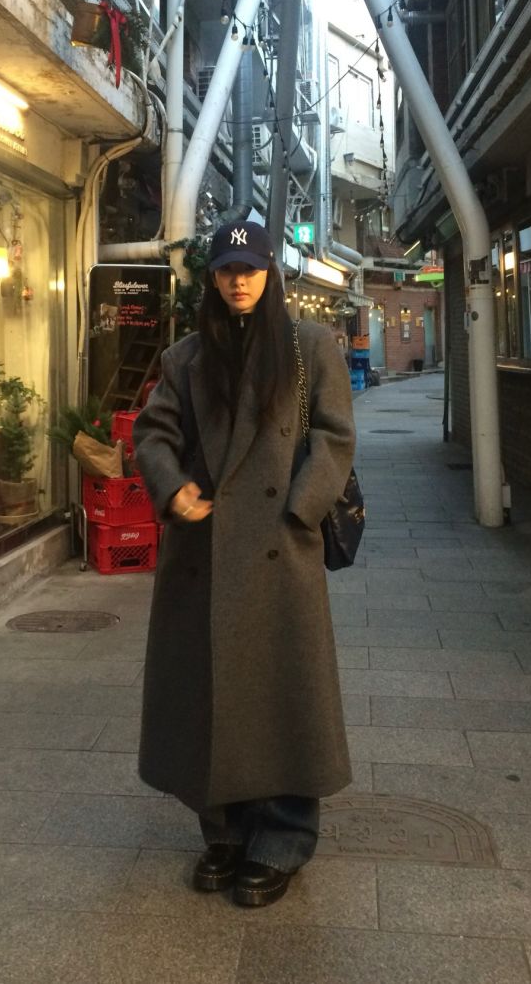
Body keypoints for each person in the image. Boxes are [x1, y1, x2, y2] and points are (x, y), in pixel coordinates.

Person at [133, 220, 356, 908]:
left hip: (279, 548)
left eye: (250, 269)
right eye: (228, 270)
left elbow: (336, 436)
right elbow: (153, 432)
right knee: (209, 692)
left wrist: (301, 509)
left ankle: (282, 837)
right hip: (203, 549)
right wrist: (172, 487)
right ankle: (223, 831)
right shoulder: (186, 357)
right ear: (213, 276)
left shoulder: (308, 346)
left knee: (284, 691)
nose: (239, 281)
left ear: (270, 273)